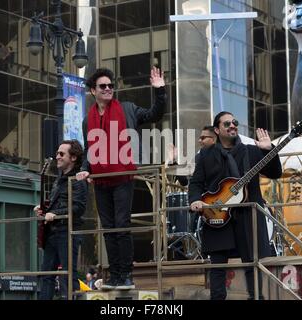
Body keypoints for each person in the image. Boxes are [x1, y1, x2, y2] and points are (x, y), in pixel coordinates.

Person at [76, 67, 166, 290]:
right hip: (101, 180)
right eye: (102, 86)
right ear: (93, 91)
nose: (108, 89)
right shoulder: (89, 120)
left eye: (110, 86)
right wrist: (86, 169)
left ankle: (126, 275)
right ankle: (114, 275)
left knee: (121, 226)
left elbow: (154, 114)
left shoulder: (127, 109)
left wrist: (160, 91)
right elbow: (90, 149)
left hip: (123, 176)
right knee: (108, 227)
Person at [188, 111, 282, 300]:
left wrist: (268, 149)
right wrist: (195, 200)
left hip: (247, 215)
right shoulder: (206, 154)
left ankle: (256, 298)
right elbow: (196, 182)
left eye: (235, 122)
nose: (232, 125)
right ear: (217, 130)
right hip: (216, 213)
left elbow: (275, 173)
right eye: (227, 124)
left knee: (252, 265)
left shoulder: (252, 151)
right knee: (217, 267)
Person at [34, 140, 88, 299]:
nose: (57, 156)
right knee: (47, 275)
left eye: (61, 154)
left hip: (67, 232)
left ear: (73, 158)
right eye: (58, 153)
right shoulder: (59, 180)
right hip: (54, 232)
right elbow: (59, 203)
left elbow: (78, 208)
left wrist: (55, 214)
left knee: (67, 275)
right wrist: (44, 210)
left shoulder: (77, 180)